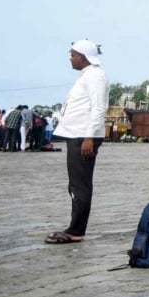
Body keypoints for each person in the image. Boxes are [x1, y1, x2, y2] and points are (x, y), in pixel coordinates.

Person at [46, 40, 107, 244]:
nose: (70, 58)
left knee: (79, 185)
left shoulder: (95, 76)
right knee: (76, 184)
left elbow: (99, 108)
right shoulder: (86, 76)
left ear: (82, 56)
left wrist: (89, 137)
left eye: (72, 55)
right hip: (78, 134)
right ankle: (75, 227)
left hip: (83, 136)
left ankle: (76, 230)